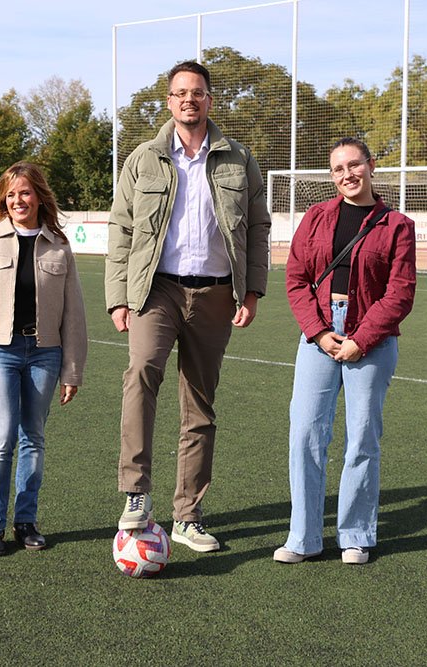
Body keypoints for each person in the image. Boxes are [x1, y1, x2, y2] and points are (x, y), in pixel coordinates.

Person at [105, 60, 271, 552]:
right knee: (141, 374)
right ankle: (136, 494)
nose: (188, 101)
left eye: (197, 92)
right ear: (169, 101)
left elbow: (258, 228)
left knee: (199, 405)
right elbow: (122, 230)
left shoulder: (239, 158)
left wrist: (253, 290)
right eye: (180, 93)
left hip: (217, 293)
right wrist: (119, 296)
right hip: (156, 290)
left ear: (210, 100)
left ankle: (188, 515)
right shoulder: (143, 158)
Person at [274, 138, 416, 565]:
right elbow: (296, 279)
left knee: (362, 438)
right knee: (305, 434)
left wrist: (361, 338)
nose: (347, 175)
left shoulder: (397, 225)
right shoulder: (316, 217)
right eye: (338, 169)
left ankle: (355, 535)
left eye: (354, 165)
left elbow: (400, 293)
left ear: (371, 166)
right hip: (319, 337)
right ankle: (303, 538)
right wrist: (318, 333)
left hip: (370, 339)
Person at [0, 161, 87, 557]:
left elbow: (73, 314)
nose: (17, 200)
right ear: (2, 200)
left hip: (45, 353)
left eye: (24, 192)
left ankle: (26, 521)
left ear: (39, 197)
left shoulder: (59, 245)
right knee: (3, 436)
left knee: (34, 438)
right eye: (10, 194)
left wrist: (72, 370)